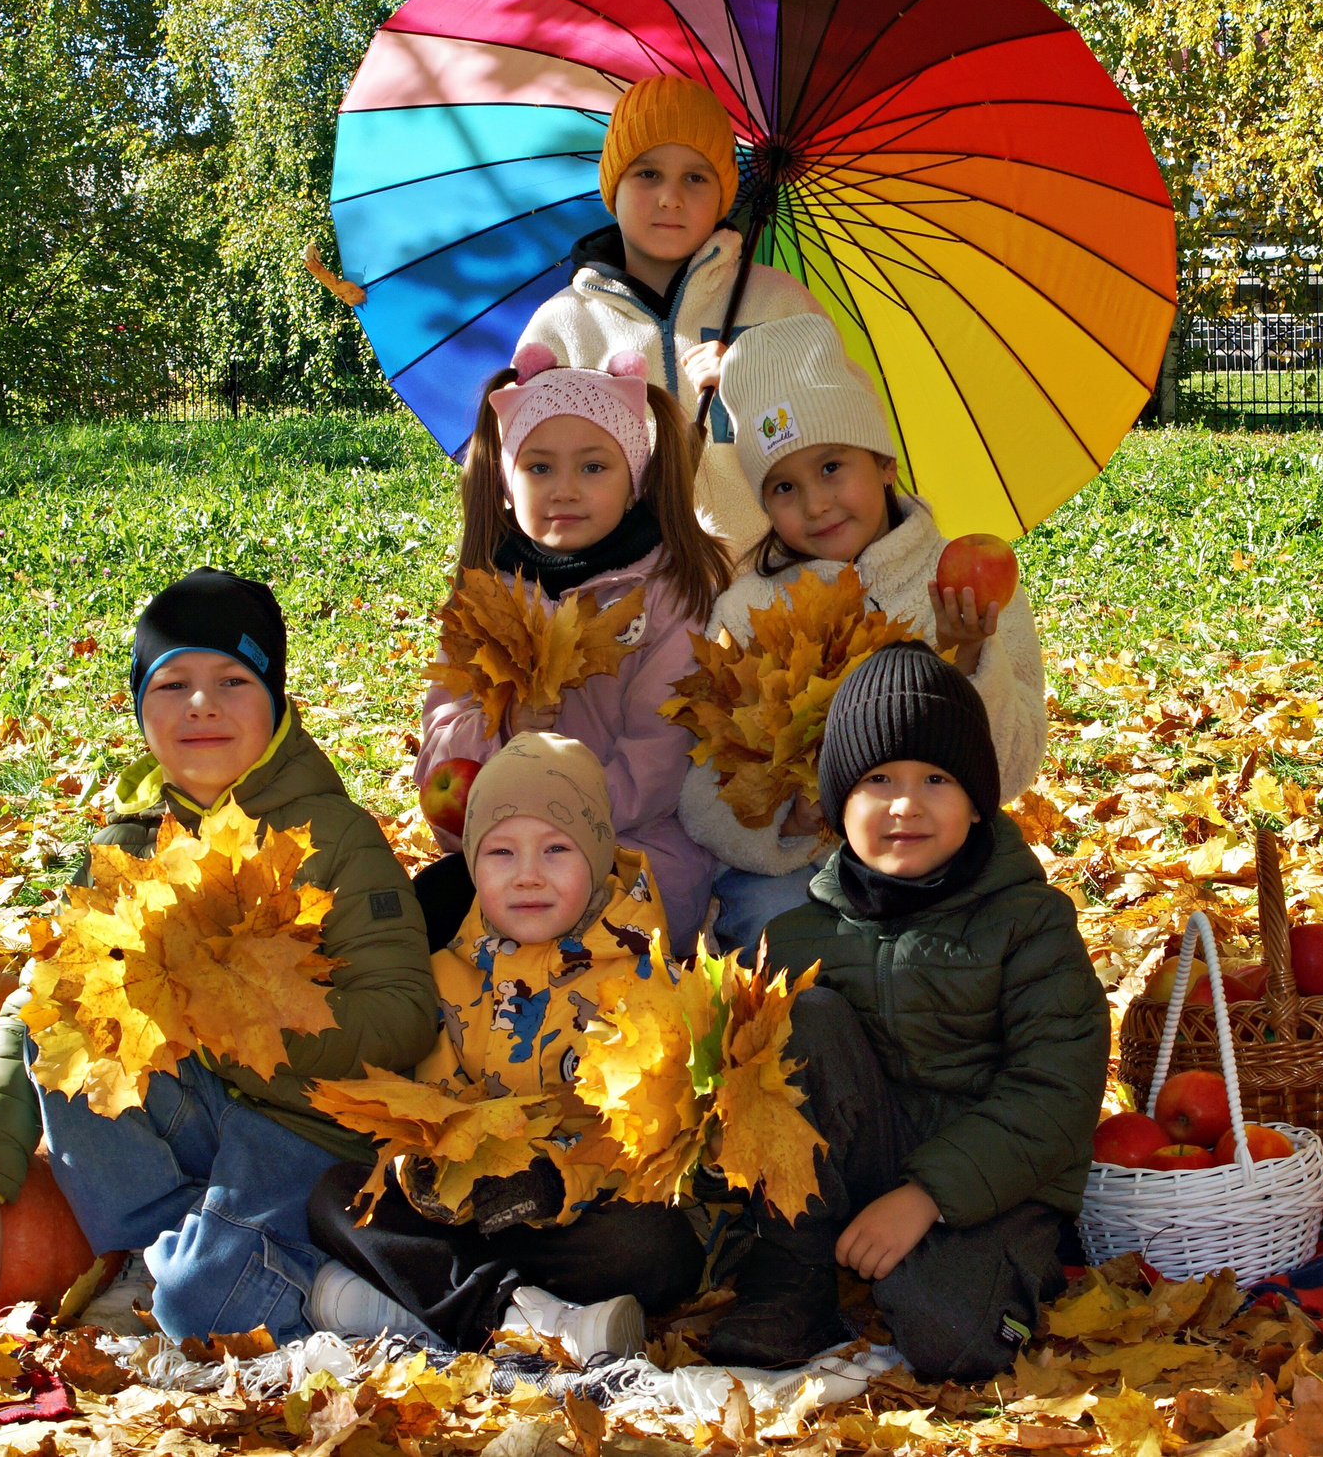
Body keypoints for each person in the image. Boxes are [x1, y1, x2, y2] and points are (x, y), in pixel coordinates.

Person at [0, 569, 439, 1343]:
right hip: (197, 1111)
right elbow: (40, 1006)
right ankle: (178, 1253)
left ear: (278, 699)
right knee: (66, 1014)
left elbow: (405, 1015)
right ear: (142, 707)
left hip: (308, 1131)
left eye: (232, 678)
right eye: (173, 681)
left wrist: (254, 1015)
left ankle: (267, 1281)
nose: (201, 703)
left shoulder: (335, 838)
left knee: (198, 1312)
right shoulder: (129, 847)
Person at [705, 645, 1106, 1380]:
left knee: (951, 1342)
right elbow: (772, 1101)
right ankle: (796, 1275)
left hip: (992, 1178)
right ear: (837, 803)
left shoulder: (1029, 923)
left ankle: (1005, 1273)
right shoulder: (797, 935)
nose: (905, 803)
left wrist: (927, 1195)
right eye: (877, 779)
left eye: (936, 778)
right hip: (866, 1155)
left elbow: (1057, 1090)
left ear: (979, 799)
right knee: (798, 1019)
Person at [305, 734, 709, 1363]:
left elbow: (650, 1141)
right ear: (471, 863)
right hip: (474, 1213)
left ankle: (424, 1303)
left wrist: (556, 1183)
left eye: (556, 849)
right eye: (500, 852)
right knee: (337, 1196)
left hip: (578, 1214)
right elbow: (425, 1108)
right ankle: (521, 1318)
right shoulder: (446, 975)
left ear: (598, 855)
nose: (527, 875)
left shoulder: (644, 980)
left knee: (658, 1249)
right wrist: (424, 1173)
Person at [678, 312, 1048, 953]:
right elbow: (699, 788)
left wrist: (967, 667)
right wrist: (783, 823)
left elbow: (1012, 769)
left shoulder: (961, 586)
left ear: (882, 462)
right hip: (798, 874)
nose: (816, 504)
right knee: (780, 939)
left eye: (831, 467)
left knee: (1015, 930)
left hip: (942, 865)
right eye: (784, 486)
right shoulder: (747, 612)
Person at [413, 343, 729, 952]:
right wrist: (503, 729)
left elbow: (660, 759)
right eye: (538, 468)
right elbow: (439, 756)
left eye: (593, 468)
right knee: (425, 921)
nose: (564, 490)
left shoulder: (667, 595)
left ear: (634, 482)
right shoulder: (483, 599)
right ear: (506, 483)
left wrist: (557, 832)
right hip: (505, 857)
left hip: (634, 857)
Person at [517, 73, 837, 550]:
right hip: (622, 602)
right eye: (648, 173)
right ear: (614, 185)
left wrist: (756, 378)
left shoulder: (783, 305)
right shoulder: (564, 324)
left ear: (724, 193)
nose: (671, 197)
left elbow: (840, 440)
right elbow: (524, 472)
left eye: (696, 176)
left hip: (775, 593)